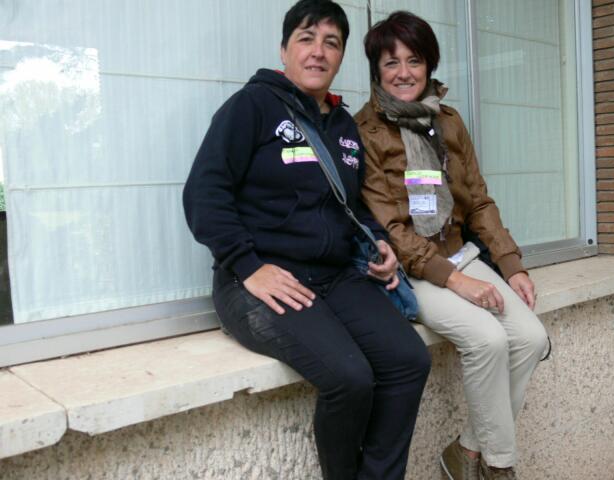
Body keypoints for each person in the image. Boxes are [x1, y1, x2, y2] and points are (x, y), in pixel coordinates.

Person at [183, 2, 431, 479]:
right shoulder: (251, 107)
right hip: (256, 278)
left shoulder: (342, 126)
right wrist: (248, 266)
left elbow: (351, 205)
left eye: (331, 43)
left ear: (340, 58)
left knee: (408, 361)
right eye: (306, 38)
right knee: (350, 378)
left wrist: (379, 242)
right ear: (284, 50)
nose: (318, 51)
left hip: (334, 277)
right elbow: (204, 194)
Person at [354, 11, 549, 480]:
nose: (404, 73)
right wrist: (456, 281)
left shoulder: (449, 121)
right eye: (391, 63)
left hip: (459, 251)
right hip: (412, 268)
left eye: (414, 60)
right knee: (487, 340)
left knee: (531, 339)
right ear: (377, 71)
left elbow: (477, 200)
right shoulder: (364, 131)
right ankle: (499, 467)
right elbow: (390, 228)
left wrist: (512, 265)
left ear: (429, 65)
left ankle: (465, 452)